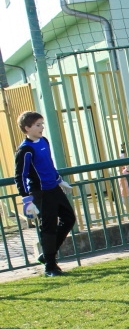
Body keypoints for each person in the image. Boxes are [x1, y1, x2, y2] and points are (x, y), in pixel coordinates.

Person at [13, 111, 77, 277]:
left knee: (69, 218)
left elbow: (49, 164)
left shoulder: (44, 141)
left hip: (53, 188)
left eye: (42, 124)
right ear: (27, 128)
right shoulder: (25, 150)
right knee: (48, 227)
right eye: (37, 125)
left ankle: (47, 254)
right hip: (40, 192)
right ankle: (50, 266)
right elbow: (20, 176)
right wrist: (27, 199)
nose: (42, 127)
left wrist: (59, 180)